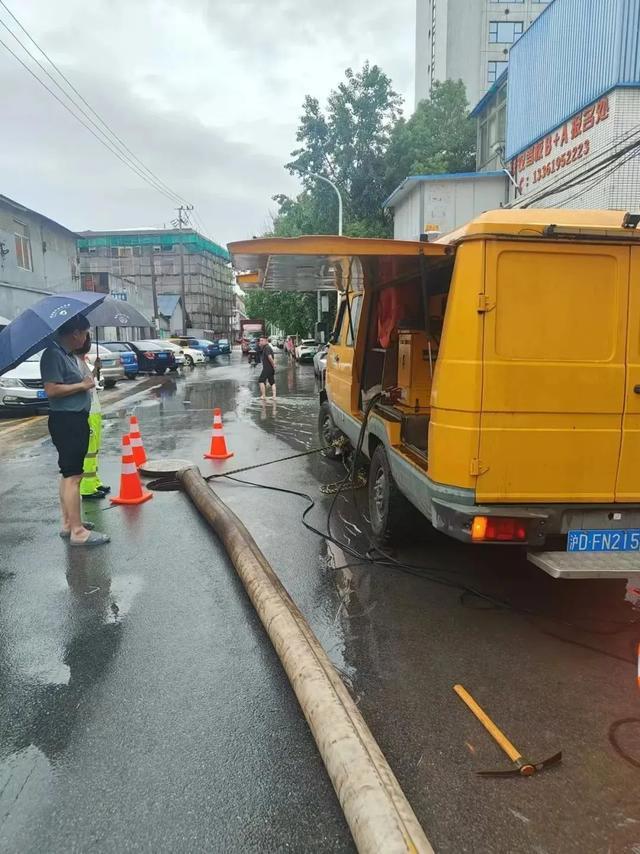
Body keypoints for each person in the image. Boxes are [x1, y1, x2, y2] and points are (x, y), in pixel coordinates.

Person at [40, 316, 110, 547]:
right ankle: (77, 532)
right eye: (85, 333)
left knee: (69, 473)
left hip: (75, 418)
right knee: (73, 477)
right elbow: (51, 389)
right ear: (74, 333)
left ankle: (70, 523)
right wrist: (82, 385)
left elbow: (77, 381)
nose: (86, 337)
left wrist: (88, 377)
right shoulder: (53, 354)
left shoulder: (68, 355)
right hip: (67, 421)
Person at [75, 337, 110, 501]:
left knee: (94, 449)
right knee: (88, 451)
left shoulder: (83, 363)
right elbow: (83, 386)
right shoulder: (75, 364)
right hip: (87, 412)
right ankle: (87, 488)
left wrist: (95, 369)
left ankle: (94, 482)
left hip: (94, 410)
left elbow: (90, 383)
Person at [257, 334, 276, 400]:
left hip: (267, 368)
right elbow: (259, 350)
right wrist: (273, 367)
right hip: (270, 368)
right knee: (272, 382)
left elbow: (270, 357)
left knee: (261, 380)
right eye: (260, 341)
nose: (260, 342)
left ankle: (263, 395)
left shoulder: (267, 347)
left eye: (262, 341)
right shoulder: (266, 347)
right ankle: (274, 396)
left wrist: (274, 365)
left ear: (266, 341)